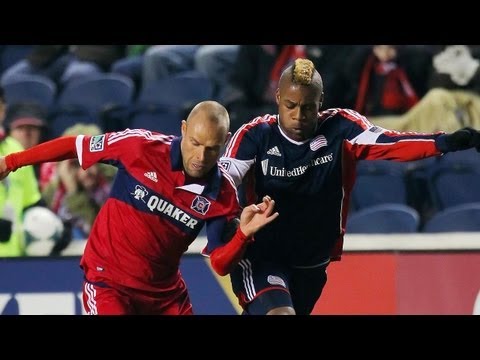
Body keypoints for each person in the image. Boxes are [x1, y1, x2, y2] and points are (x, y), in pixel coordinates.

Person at [205, 58, 480, 315]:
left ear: (320, 102)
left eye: (308, 107)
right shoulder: (255, 134)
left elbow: (389, 143)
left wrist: (444, 142)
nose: (299, 115)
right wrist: (226, 230)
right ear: (277, 98)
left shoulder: (341, 127)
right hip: (262, 255)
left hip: (312, 260)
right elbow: (225, 179)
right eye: (290, 105)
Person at [0, 100, 279, 315]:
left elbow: (219, 264)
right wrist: (12, 162)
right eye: (194, 143)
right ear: (183, 129)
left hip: (164, 295)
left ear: (225, 141)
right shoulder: (138, 147)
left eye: (212, 148)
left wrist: (242, 235)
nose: (201, 157)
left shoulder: (223, 194)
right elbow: (76, 146)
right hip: (109, 284)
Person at [0, 88, 45, 257]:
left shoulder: (15, 149)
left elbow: (32, 203)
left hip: (16, 259)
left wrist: (56, 226)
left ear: (3, 109)